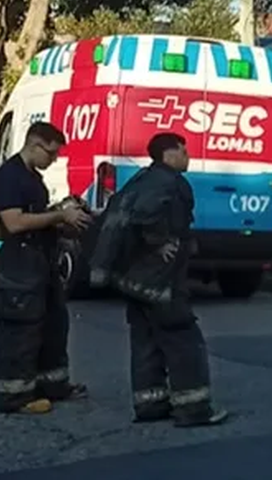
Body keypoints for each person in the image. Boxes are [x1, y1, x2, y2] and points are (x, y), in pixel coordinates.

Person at [89, 133, 228, 427]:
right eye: (183, 150)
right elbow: (146, 215)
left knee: (145, 339)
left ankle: (150, 404)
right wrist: (160, 241)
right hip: (159, 279)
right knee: (182, 338)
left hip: (134, 278)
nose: (188, 156)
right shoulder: (169, 182)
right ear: (169, 154)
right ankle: (194, 409)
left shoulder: (143, 178)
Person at [0, 121, 92, 415]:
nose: (54, 159)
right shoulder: (9, 177)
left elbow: (37, 215)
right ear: (35, 145)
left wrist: (63, 215)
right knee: (21, 330)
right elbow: (15, 222)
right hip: (20, 264)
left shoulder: (33, 177)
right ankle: (14, 397)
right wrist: (60, 216)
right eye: (51, 153)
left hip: (42, 262)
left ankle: (52, 385)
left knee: (53, 324)